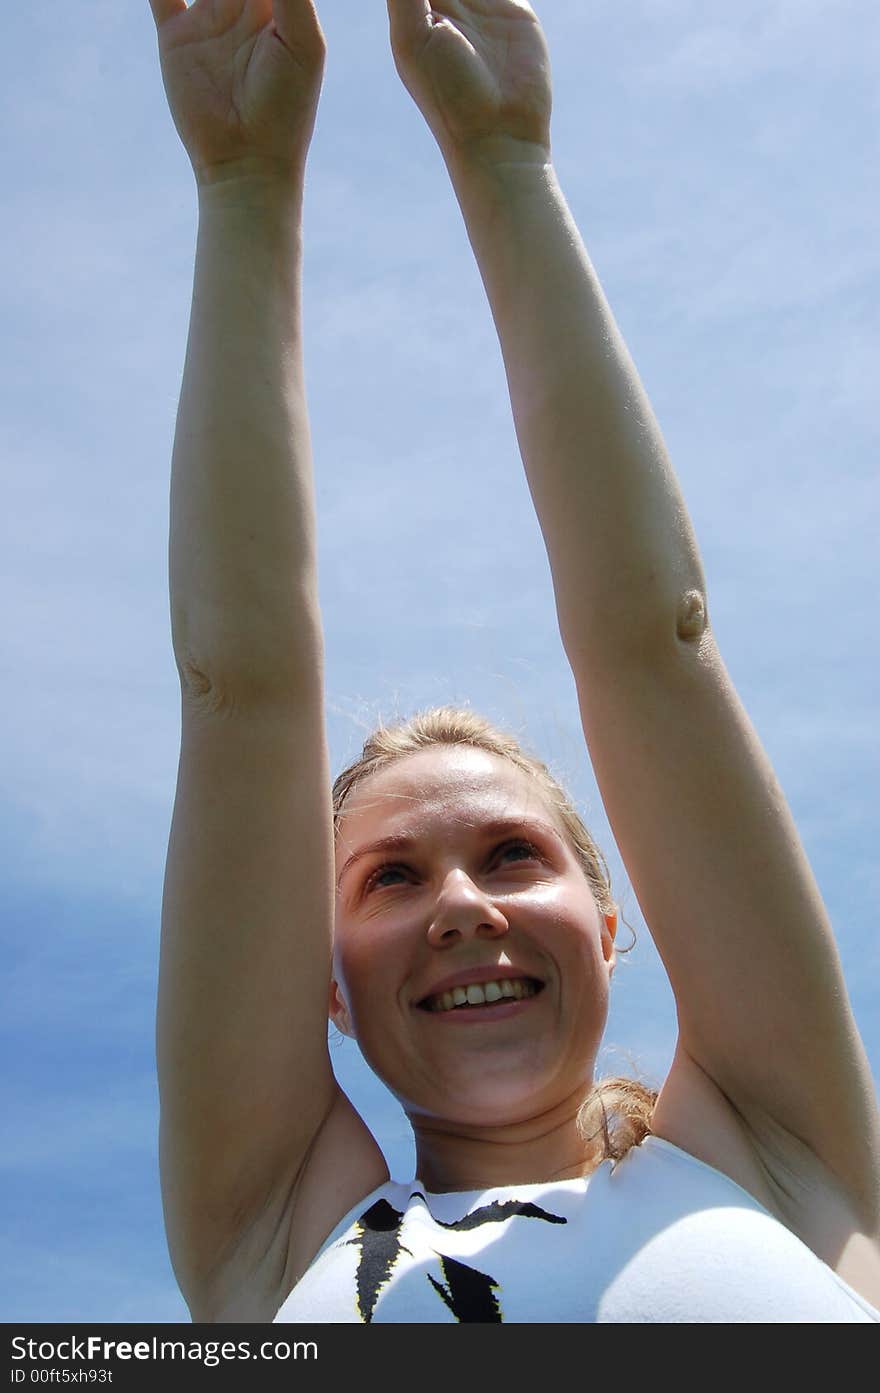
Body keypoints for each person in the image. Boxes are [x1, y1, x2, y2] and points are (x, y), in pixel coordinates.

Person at [148, 0, 880, 1322]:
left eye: (510, 853)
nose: (460, 903)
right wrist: (241, 185)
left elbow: (655, 643)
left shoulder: (777, 1152)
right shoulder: (279, 1244)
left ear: (609, 928)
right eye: (388, 875)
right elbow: (238, 688)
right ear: (322, 980)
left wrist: (506, 157)